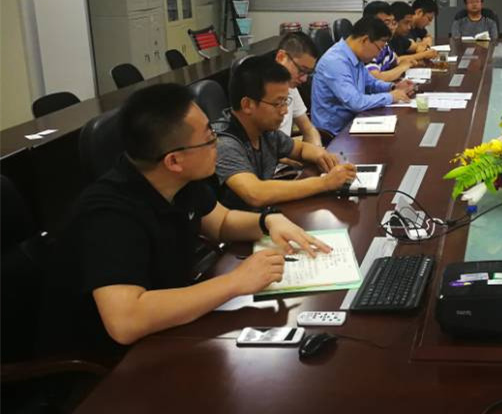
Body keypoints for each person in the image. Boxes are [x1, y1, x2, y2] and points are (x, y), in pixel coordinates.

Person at [41, 83, 329, 358]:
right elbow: (125, 321)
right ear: (174, 161)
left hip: (170, 327)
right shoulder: (108, 215)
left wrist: (268, 222)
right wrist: (236, 281)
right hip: (110, 357)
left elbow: (221, 222)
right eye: (209, 138)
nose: (217, 143)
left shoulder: (179, 180)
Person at [215, 54, 356, 209]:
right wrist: (325, 183)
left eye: (285, 101)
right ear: (247, 105)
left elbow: (300, 149)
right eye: (278, 103)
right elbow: (255, 193)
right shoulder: (224, 143)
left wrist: (321, 155)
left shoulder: (265, 131)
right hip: (245, 222)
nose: (285, 110)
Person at [310, 16, 416, 138]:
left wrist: (393, 87)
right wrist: (391, 96)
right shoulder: (335, 62)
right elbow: (356, 102)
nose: (378, 55)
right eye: (379, 49)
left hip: (355, 122)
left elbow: (371, 83)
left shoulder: (355, 56)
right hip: (336, 134)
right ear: (365, 40)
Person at [273, 31, 322, 144]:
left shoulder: (290, 86)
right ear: (281, 57)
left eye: (308, 73)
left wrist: (317, 149)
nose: (304, 79)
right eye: (301, 70)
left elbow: (309, 129)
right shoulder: (261, 95)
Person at [363, 1, 419, 82]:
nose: (392, 28)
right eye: (387, 23)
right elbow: (376, 78)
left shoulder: (384, 44)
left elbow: (396, 60)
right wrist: (402, 67)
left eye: (393, 23)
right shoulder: (368, 45)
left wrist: (407, 62)